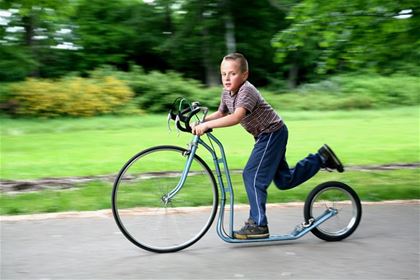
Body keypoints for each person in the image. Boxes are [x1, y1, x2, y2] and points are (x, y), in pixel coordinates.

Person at [192, 53, 344, 240]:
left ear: (244, 75)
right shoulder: (227, 93)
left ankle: (259, 224)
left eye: (232, 74)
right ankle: (321, 158)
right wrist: (199, 120)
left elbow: (236, 117)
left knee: (252, 175)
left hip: (272, 133)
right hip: (266, 135)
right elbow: (221, 113)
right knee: (284, 181)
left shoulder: (247, 91)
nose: (227, 78)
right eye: (223, 74)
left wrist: (206, 126)